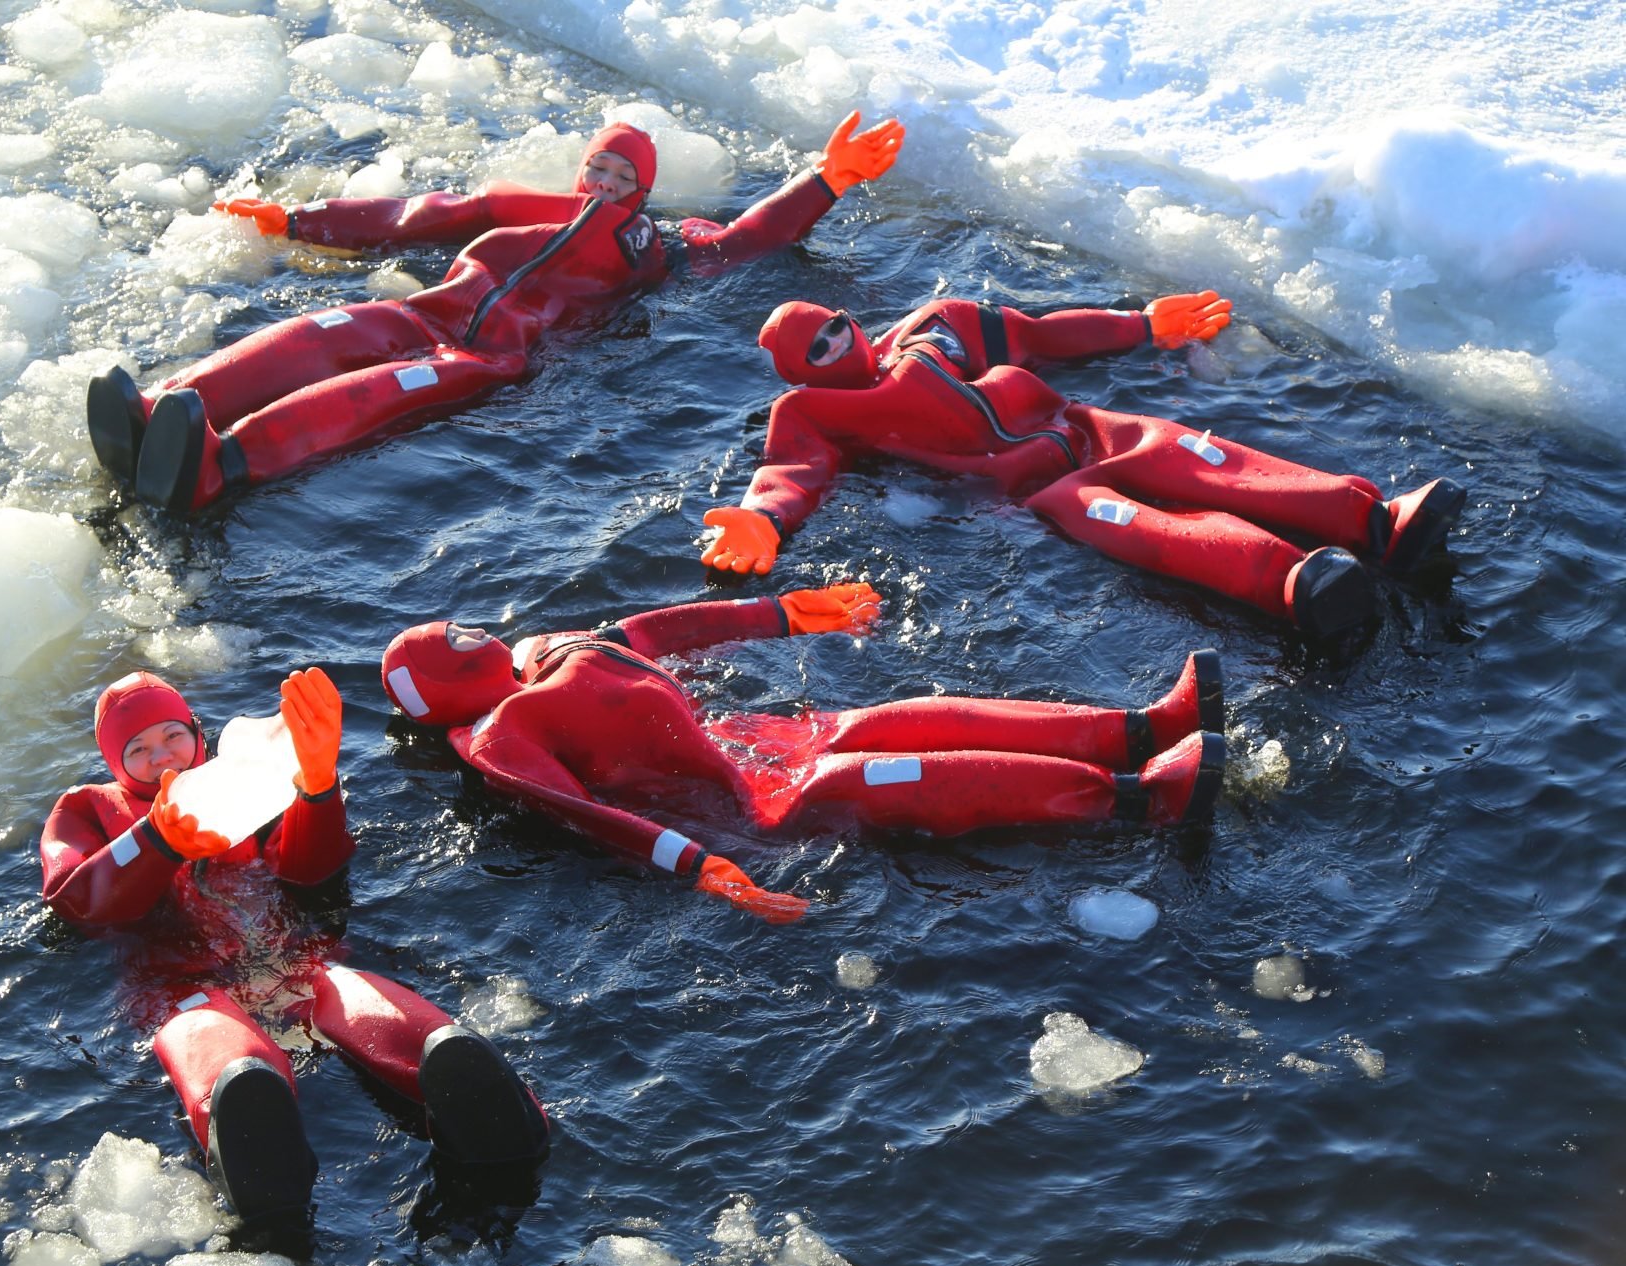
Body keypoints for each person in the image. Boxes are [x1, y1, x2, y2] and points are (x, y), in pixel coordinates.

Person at [89, 113, 906, 513]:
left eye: (624, 177)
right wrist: (300, 221)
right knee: (313, 334)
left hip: (487, 361)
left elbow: (749, 237)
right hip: (424, 317)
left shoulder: (656, 250)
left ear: (646, 191)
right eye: (599, 168)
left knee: (363, 397)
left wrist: (826, 180)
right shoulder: (527, 204)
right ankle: (163, 411)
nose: (606, 184)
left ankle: (217, 466)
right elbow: (419, 215)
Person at [39, 667, 549, 1253]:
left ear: (197, 733)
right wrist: (155, 839)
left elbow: (311, 870)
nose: (162, 758)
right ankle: (261, 1174)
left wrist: (317, 784)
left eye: (172, 736)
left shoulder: (238, 782)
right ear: (115, 764)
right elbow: (74, 900)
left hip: (291, 962)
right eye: (139, 750)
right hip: (183, 986)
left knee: (398, 1022)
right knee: (236, 1071)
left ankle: (489, 1110)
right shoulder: (88, 810)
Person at [379, 585, 1226, 924]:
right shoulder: (499, 741)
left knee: (893, 719)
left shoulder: (544, 651)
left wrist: (789, 611)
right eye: (453, 640)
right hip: (746, 810)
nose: (474, 630)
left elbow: (667, 631)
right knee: (866, 776)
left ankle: (1143, 725)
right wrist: (707, 867)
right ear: (444, 683)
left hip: (758, 748)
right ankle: (1144, 797)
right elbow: (588, 815)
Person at [698, 293, 1468, 638]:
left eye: (836, 326)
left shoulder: (937, 326)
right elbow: (793, 468)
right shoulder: (813, 411)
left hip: (1089, 430)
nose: (840, 343)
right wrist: (766, 519)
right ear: (801, 371)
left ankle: (1373, 519)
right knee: (1148, 528)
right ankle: (1291, 583)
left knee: (1208, 460)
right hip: (1041, 488)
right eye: (819, 349)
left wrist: (1139, 324)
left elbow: (1043, 333)